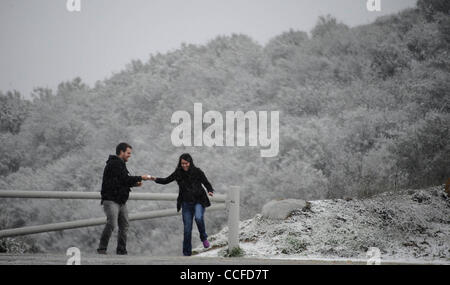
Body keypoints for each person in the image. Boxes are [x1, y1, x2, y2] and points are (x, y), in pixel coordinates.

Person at [149, 153, 214, 256]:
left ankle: (203, 237)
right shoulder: (178, 173)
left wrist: (210, 190)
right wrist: (155, 179)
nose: (184, 165)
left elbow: (206, 183)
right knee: (187, 229)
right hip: (186, 203)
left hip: (199, 201)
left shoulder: (197, 171)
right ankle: (186, 254)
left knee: (198, 218)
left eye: (186, 163)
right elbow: (166, 180)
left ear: (190, 162)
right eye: (182, 163)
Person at [97, 142, 151, 255]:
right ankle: (102, 248)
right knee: (112, 223)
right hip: (111, 200)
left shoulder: (120, 164)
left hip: (120, 200)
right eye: (128, 153)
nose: (129, 155)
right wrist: (141, 177)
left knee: (124, 225)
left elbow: (120, 181)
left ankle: (121, 250)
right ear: (121, 152)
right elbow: (124, 179)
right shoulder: (115, 163)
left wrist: (134, 184)